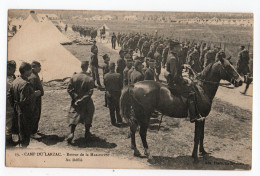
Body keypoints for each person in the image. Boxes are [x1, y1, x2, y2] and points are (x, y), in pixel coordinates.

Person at [166, 41, 202, 123]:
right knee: (191, 93)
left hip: (174, 80)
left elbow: (175, 68)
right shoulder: (173, 58)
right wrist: (183, 80)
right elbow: (174, 75)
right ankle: (192, 116)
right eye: (179, 47)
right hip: (174, 83)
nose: (180, 48)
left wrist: (183, 66)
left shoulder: (172, 56)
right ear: (174, 48)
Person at [8, 62, 42, 147]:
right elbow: (25, 100)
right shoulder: (25, 83)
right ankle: (23, 151)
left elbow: (9, 95)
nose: (31, 71)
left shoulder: (16, 80)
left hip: (17, 109)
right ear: (26, 71)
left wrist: (14, 105)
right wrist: (35, 94)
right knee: (25, 134)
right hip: (24, 112)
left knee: (19, 131)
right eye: (30, 70)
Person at [67, 61, 95, 143]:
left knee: (74, 115)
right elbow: (90, 92)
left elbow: (69, 89)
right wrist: (82, 99)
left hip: (75, 101)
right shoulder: (89, 79)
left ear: (81, 67)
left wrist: (76, 98)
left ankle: (71, 133)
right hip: (86, 101)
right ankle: (87, 132)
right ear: (87, 67)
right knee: (88, 114)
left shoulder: (74, 77)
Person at [28, 61, 44, 139]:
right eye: (39, 66)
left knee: (36, 114)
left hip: (37, 98)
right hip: (35, 99)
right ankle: (33, 132)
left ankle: (33, 130)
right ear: (34, 67)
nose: (40, 68)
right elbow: (31, 90)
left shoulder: (35, 75)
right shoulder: (33, 77)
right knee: (35, 114)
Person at [6, 60, 17, 146]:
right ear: (9, 68)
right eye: (14, 68)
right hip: (8, 102)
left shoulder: (11, 77)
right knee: (8, 120)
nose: (15, 70)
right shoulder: (8, 80)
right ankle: (8, 140)